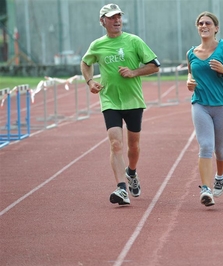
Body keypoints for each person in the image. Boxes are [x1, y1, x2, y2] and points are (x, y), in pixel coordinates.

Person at [80, 3, 160, 205]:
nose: (116, 20)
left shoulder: (134, 41)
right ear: (102, 21)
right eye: (111, 17)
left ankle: (131, 172)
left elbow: (154, 66)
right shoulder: (97, 45)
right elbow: (85, 62)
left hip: (133, 100)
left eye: (118, 16)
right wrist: (90, 81)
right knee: (115, 143)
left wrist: (134, 72)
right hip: (110, 100)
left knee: (134, 146)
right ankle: (121, 188)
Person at [186, 11, 223, 207]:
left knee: (219, 148)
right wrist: (189, 82)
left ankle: (220, 175)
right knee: (206, 146)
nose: (204, 26)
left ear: (216, 28)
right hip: (200, 104)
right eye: (200, 23)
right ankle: (206, 189)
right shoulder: (191, 53)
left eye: (208, 23)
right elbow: (190, 74)